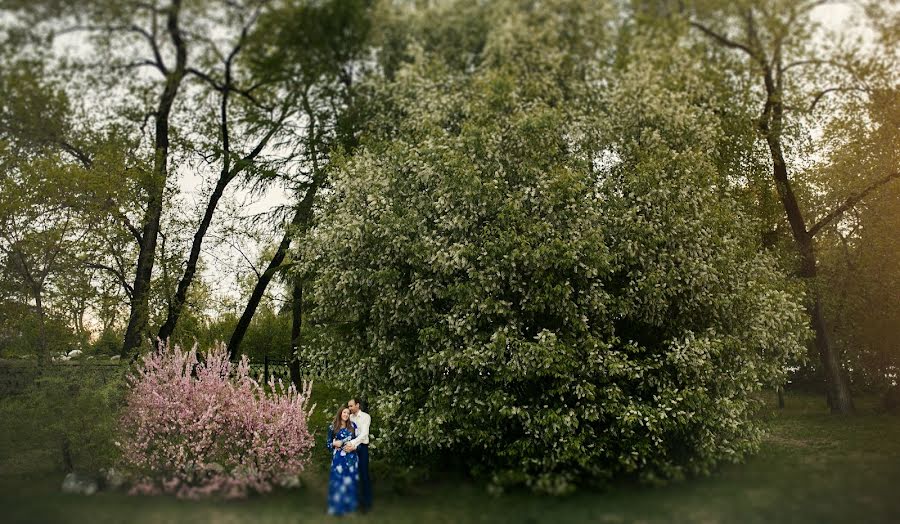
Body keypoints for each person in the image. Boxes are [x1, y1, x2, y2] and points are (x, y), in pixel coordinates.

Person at [326, 406, 358, 516]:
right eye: (344, 412)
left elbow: (358, 442)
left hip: (351, 458)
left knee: (350, 482)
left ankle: (350, 509)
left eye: (348, 413)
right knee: (338, 482)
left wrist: (354, 447)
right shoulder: (332, 427)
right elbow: (328, 445)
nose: (346, 415)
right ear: (340, 413)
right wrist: (334, 444)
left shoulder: (353, 426)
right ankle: (337, 509)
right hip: (338, 459)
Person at [343, 397, 372, 512]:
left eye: (351, 406)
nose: (349, 408)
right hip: (351, 448)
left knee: (364, 474)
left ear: (357, 405)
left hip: (362, 448)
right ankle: (353, 501)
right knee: (351, 474)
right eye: (349, 406)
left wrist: (352, 443)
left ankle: (366, 503)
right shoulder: (349, 417)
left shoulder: (366, 417)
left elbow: (364, 434)